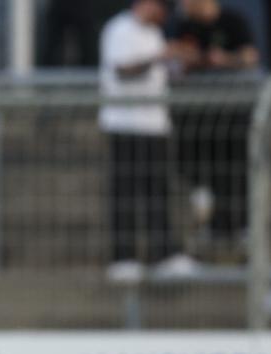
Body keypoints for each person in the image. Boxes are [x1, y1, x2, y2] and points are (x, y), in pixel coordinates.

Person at [100, 0, 198, 283]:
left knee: (158, 191)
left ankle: (164, 253)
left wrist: (180, 63)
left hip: (154, 124)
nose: (164, 16)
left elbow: (159, 73)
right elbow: (122, 71)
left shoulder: (154, 34)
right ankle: (123, 257)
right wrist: (160, 56)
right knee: (125, 193)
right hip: (124, 124)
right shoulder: (118, 29)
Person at [168, 0, 259, 258]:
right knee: (199, 165)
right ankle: (213, 224)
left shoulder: (233, 20)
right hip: (197, 113)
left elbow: (250, 57)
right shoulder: (184, 25)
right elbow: (177, 55)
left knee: (236, 170)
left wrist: (225, 60)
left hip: (233, 112)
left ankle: (240, 228)